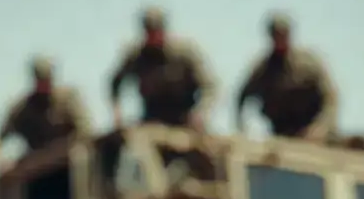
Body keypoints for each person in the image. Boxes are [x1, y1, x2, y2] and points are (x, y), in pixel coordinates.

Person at [109, 8, 216, 132]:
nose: (153, 37)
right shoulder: (136, 55)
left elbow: (210, 86)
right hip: (151, 121)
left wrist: (201, 112)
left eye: (156, 31)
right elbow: (115, 82)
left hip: (185, 120)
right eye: (149, 32)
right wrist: (117, 111)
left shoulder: (184, 52)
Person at [235, 14, 339, 142]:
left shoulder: (309, 64)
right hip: (282, 133)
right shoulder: (264, 68)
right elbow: (242, 96)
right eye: (276, 35)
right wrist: (242, 129)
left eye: (283, 34)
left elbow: (331, 99)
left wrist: (321, 128)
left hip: (315, 133)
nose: (280, 39)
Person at [0, 56, 90, 169]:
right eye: (41, 81)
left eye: (48, 80)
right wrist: (1, 162)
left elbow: (86, 129)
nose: (45, 86)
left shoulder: (67, 100)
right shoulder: (23, 110)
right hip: (38, 170)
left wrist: (68, 147)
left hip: (68, 163)